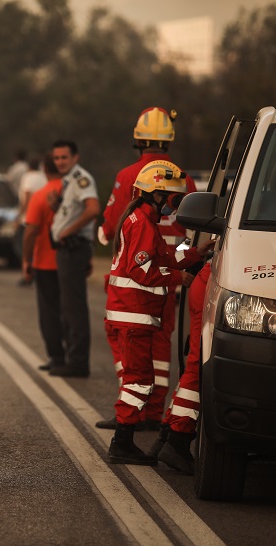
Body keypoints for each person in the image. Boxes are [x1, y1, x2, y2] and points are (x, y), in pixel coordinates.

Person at [95, 107, 199, 430]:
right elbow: (192, 231)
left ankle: (130, 412)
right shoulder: (185, 179)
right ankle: (153, 412)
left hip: (137, 280)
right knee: (160, 345)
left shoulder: (129, 177)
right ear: (169, 142)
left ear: (138, 141)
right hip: (168, 281)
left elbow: (109, 230)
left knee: (130, 345)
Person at [105, 160, 213, 465]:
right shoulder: (141, 223)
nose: (174, 206)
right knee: (138, 381)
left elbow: (166, 254)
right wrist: (180, 279)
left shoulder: (144, 221)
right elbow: (141, 271)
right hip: (133, 315)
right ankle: (122, 443)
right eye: (174, 199)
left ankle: (123, 440)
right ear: (157, 195)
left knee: (141, 378)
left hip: (130, 314)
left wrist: (197, 253)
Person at [150, 260, 211, 474]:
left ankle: (168, 434)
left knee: (194, 366)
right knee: (197, 367)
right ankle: (178, 440)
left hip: (208, 280)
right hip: (212, 283)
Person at [48, 140, 101, 378]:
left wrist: (68, 231)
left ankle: (78, 363)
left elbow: (92, 209)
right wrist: (56, 207)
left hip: (73, 248)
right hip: (69, 250)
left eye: (64, 157)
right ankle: (73, 359)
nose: (60, 162)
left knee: (74, 308)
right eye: (56, 158)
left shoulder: (81, 179)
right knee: (68, 307)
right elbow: (73, 211)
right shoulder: (68, 180)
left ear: (75, 157)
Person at [21, 153, 64, 370]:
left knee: (49, 312)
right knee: (70, 311)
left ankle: (57, 357)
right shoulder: (73, 191)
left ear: (45, 170)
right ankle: (73, 355)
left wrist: (26, 260)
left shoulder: (40, 195)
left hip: (45, 262)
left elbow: (30, 231)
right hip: (69, 262)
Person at [15, 155, 48, 286]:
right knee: (37, 247)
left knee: (23, 247)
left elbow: (27, 196)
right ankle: (36, 272)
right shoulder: (43, 177)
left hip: (28, 217)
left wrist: (21, 214)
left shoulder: (28, 177)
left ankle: (27, 273)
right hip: (42, 217)